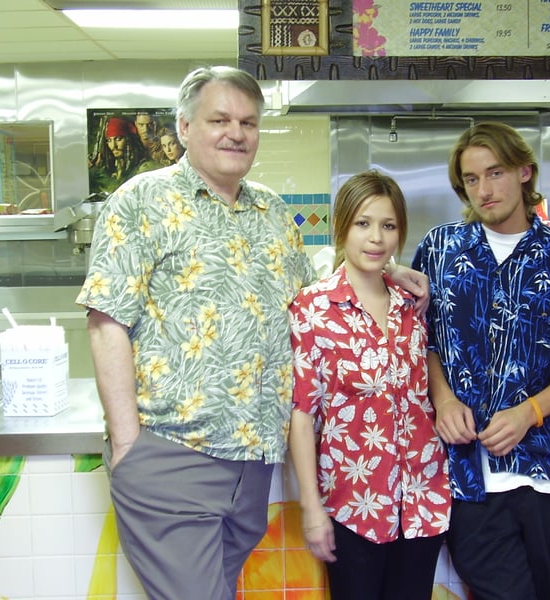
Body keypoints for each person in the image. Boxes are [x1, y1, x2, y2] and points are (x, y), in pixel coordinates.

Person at [75, 65, 430, 600]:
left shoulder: (271, 210)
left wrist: (384, 270)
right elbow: (106, 321)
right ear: (184, 126)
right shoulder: (140, 201)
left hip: (252, 465)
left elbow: (312, 300)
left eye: (248, 121)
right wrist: (129, 445)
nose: (235, 132)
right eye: (219, 119)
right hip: (175, 453)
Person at [412, 121, 550, 600]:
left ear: (525, 172)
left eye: (496, 173)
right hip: (469, 478)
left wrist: (531, 412)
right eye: (471, 179)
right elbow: (422, 342)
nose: (484, 190)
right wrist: (442, 399)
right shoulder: (441, 249)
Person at [288, 170, 451, 600]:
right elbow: (301, 413)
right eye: (363, 223)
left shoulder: (411, 304)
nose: (375, 237)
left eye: (388, 225)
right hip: (352, 505)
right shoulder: (312, 309)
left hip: (422, 499)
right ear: (342, 225)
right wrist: (312, 508)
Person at [88, 116, 159, 194]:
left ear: (129, 140)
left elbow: (120, 194)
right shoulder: (115, 167)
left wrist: (97, 171)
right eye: (109, 140)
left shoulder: (146, 167)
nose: (113, 146)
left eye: (118, 139)